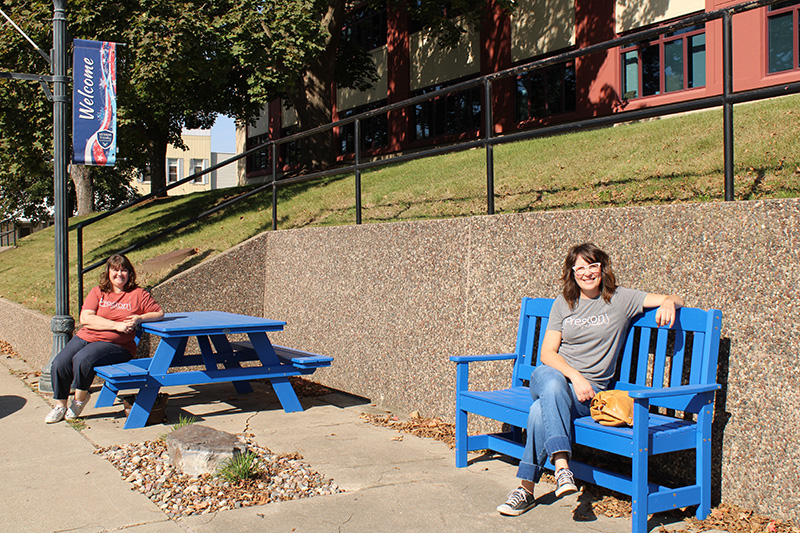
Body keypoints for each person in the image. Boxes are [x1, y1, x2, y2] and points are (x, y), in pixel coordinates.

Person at [497, 243, 684, 516]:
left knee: (540, 410)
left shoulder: (621, 299)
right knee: (552, 384)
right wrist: (575, 376)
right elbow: (547, 353)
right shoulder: (565, 303)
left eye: (592, 266)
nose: (587, 273)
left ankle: (525, 489)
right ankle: (562, 466)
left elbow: (674, 297)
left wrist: (669, 302)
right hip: (552, 376)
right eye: (579, 268)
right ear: (572, 273)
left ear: (602, 268)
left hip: (587, 394)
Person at [45, 254, 164, 424]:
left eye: (124, 270)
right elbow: (85, 318)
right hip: (86, 337)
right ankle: (60, 405)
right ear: (108, 272)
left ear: (130, 273)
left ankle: (79, 400)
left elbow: (159, 313)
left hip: (117, 345)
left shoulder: (138, 294)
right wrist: (115, 325)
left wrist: (139, 319)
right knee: (59, 363)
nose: (120, 274)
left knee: (82, 359)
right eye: (115, 270)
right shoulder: (98, 292)